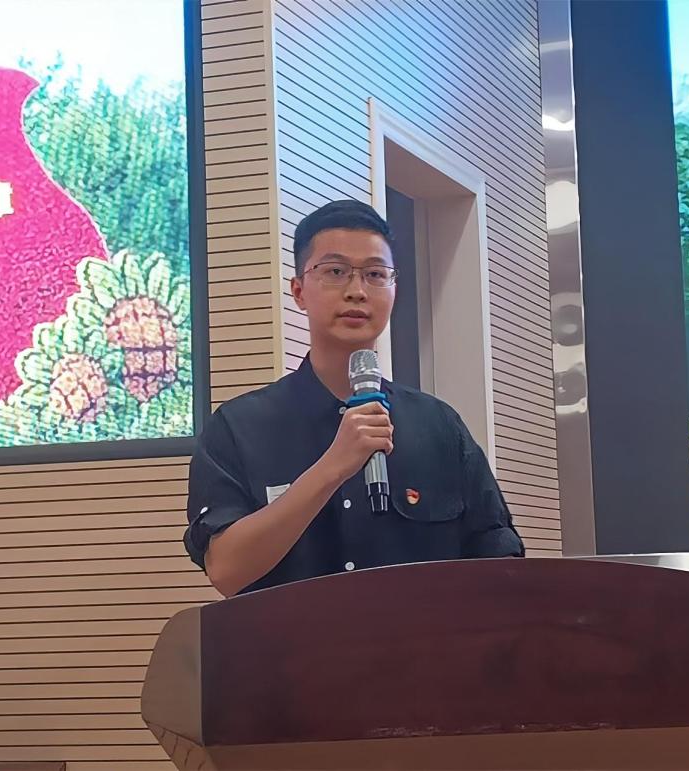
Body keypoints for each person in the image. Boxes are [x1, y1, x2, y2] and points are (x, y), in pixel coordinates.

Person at [184, 200, 524, 597]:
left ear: (394, 290)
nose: (357, 291)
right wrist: (333, 467)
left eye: (375, 274)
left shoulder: (439, 426)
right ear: (299, 291)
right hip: (295, 640)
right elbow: (226, 571)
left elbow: (500, 565)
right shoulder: (239, 427)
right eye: (335, 272)